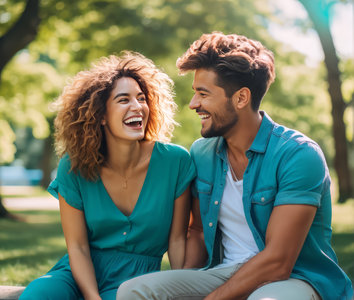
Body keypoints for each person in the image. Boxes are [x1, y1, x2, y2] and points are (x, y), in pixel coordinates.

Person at [117, 32, 353, 300]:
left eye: (203, 94)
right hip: (223, 272)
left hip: (294, 278)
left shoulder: (298, 155)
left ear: (241, 98)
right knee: (133, 290)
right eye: (195, 93)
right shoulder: (202, 152)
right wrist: (184, 282)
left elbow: (278, 261)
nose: (194, 104)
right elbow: (195, 230)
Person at [19, 51, 196, 300]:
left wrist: (181, 292)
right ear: (101, 115)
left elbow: (178, 240)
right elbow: (78, 248)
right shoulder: (74, 167)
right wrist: (92, 297)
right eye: (124, 100)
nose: (137, 107)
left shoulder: (175, 161)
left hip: (136, 283)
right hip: (77, 274)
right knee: (37, 294)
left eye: (142, 98)